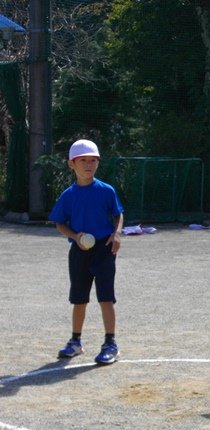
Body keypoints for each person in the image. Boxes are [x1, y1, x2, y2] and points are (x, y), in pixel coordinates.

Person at [49, 139, 125, 365]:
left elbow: (118, 214)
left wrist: (117, 233)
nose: (89, 165)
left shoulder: (106, 190)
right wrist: (75, 236)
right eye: (83, 160)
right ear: (71, 164)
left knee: (106, 298)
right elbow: (59, 224)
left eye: (93, 160)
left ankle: (110, 343)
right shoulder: (68, 195)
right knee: (79, 299)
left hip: (104, 248)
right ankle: (75, 342)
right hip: (79, 251)